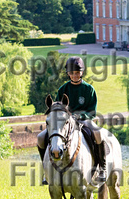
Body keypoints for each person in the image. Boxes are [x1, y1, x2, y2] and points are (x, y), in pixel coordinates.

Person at [37, 57, 107, 185]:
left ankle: (102, 168)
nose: (75, 75)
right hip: (65, 122)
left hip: (84, 120)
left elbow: (92, 111)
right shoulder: (63, 89)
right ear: (68, 73)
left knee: (98, 134)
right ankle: (46, 171)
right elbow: (57, 107)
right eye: (72, 73)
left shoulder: (89, 89)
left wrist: (80, 116)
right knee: (41, 137)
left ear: (82, 72)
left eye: (77, 73)